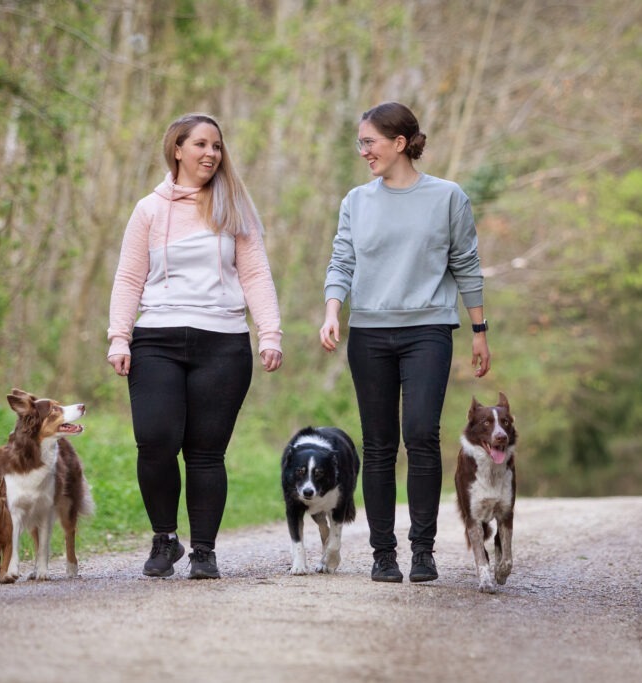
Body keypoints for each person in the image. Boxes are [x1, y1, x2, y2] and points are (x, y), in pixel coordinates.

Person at [320, 101, 490, 583]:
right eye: (360, 143)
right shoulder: (356, 200)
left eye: (369, 142)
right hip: (369, 332)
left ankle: (422, 550)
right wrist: (333, 310)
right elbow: (342, 262)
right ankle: (382, 553)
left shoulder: (448, 196)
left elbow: (467, 263)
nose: (363, 151)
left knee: (420, 434)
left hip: (428, 331)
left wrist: (479, 331)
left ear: (399, 143)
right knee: (377, 446)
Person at [107, 112, 283, 580]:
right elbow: (129, 277)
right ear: (177, 150)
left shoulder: (234, 207)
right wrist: (119, 336)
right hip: (157, 338)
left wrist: (269, 332)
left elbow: (255, 274)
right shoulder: (149, 209)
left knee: (206, 452)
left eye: (217, 146)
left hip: (222, 342)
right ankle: (165, 538)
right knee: (156, 441)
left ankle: (204, 551)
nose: (211, 154)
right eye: (201, 144)